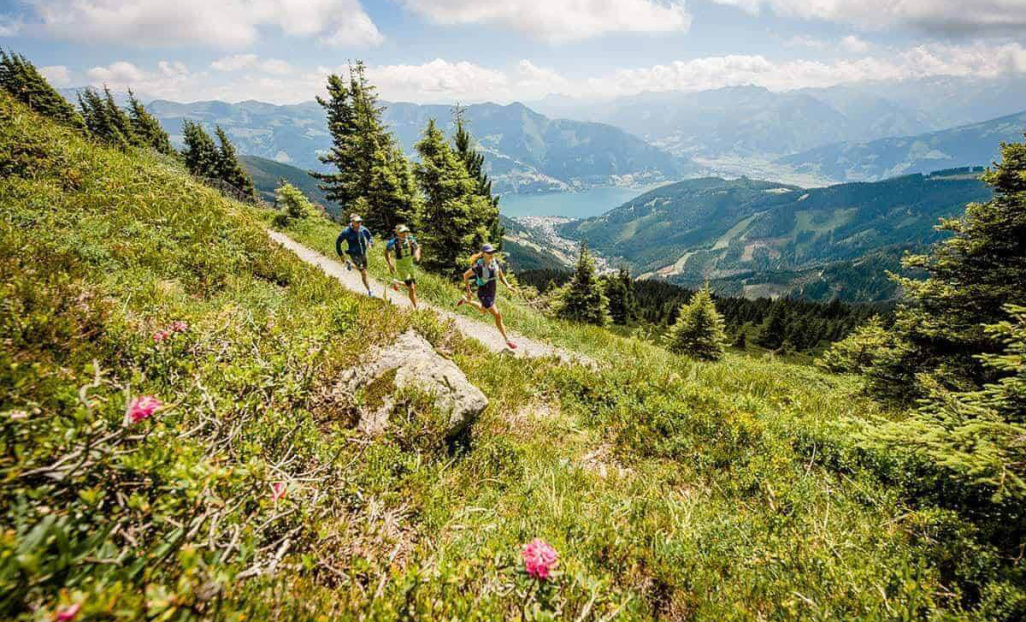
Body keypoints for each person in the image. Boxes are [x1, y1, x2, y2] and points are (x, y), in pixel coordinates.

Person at [458, 243, 518, 350]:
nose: (491, 254)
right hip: (484, 293)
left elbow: (501, 276)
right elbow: (465, 275)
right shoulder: (479, 267)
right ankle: (507, 339)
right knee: (498, 315)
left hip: (492, 292)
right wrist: (468, 290)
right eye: (489, 252)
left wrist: (508, 285)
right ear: (483, 254)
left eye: (492, 252)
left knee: (483, 310)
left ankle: (466, 301)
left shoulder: (495, 262)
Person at [335, 213, 374, 297]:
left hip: (363, 253)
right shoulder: (346, 232)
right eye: (357, 222)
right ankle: (370, 291)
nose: (359, 223)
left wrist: (370, 243)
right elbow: (338, 242)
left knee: (364, 272)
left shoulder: (363, 229)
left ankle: (351, 265)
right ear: (352, 222)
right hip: (354, 254)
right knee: (363, 271)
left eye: (360, 221)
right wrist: (341, 255)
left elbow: (370, 236)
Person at [385, 224, 421, 309]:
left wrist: (417, 254)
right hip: (401, 266)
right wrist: (390, 264)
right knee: (411, 287)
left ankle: (397, 282)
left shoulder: (410, 239)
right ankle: (416, 307)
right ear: (397, 233)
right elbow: (386, 252)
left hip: (410, 265)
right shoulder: (393, 242)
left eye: (405, 231)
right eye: (402, 232)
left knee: (413, 286)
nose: (404, 234)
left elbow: (417, 247)